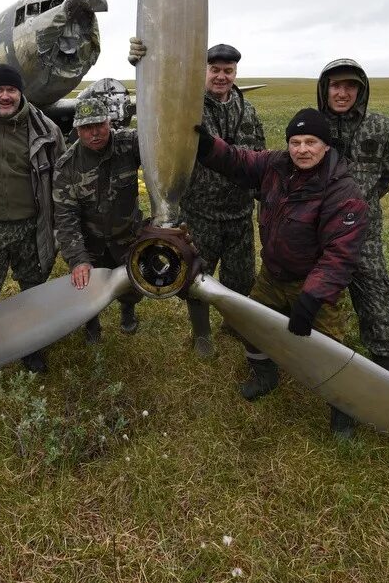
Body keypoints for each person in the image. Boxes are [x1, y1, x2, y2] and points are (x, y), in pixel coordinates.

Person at [195, 108, 368, 437]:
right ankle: (264, 376)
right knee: (253, 326)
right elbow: (238, 160)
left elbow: (339, 255)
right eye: (295, 142)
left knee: (329, 349)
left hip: (312, 281)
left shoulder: (343, 192)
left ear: (326, 146)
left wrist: (312, 297)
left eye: (311, 142)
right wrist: (206, 145)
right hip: (273, 275)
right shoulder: (275, 164)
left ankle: (343, 409)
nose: (302, 149)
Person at [128, 39, 266, 357]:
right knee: (195, 277)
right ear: (203, 71)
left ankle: (233, 323)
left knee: (242, 278)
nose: (221, 76)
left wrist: (263, 198)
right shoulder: (187, 105)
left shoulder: (248, 110)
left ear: (235, 73)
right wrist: (142, 63)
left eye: (228, 71)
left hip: (239, 214)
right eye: (214, 69)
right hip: (200, 213)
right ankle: (202, 334)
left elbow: (259, 158)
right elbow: (157, 94)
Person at [0, 64, 65, 374]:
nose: (5, 96)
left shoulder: (46, 130)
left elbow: (62, 176)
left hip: (31, 227)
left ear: (20, 92)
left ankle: (31, 349)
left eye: (11, 90)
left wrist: (58, 226)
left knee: (33, 292)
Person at [315, 59, 389, 392]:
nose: (342, 93)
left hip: (363, 236)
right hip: (318, 235)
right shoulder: (311, 125)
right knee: (317, 306)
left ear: (361, 89)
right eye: (335, 86)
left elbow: (388, 173)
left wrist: (363, 203)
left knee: (378, 305)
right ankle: (328, 379)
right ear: (324, 89)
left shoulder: (381, 127)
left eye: (350, 86)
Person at [52, 97, 143, 343]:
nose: (94, 133)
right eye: (86, 128)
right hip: (90, 240)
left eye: (99, 125)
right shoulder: (66, 166)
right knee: (86, 285)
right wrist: (78, 259)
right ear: (77, 130)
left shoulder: (130, 143)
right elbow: (65, 217)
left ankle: (128, 311)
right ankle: (92, 323)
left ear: (109, 121)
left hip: (127, 234)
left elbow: (159, 150)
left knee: (132, 283)